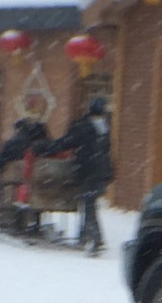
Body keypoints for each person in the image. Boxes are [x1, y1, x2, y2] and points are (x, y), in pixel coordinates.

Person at [47, 96, 114, 253]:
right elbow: (105, 151)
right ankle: (85, 236)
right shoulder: (104, 128)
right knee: (89, 202)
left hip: (89, 171)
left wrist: (46, 148)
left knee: (88, 204)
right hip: (102, 173)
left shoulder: (83, 126)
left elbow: (66, 142)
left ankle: (95, 239)